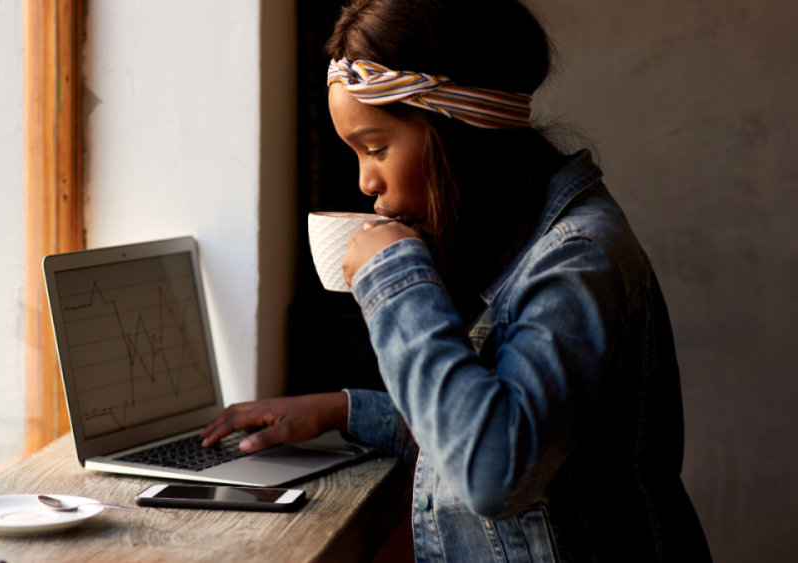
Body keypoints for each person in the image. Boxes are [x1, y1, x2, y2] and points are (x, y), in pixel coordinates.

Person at [202, 0, 712, 560]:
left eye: (374, 148)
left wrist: (394, 277)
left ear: (458, 132)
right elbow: (491, 412)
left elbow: (495, 468)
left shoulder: (575, 262)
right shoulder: (511, 235)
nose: (365, 181)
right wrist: (347, 411)